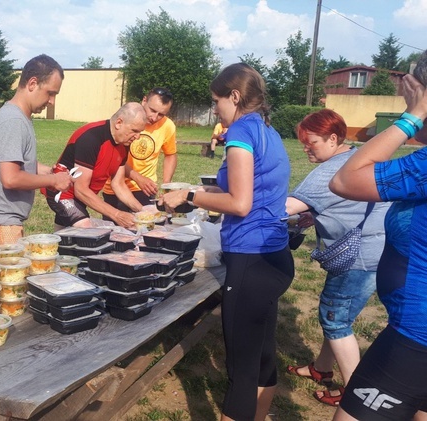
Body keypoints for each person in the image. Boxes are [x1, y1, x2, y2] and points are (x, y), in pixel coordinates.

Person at [160, 63, 293, 421]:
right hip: (274, 255)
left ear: (234, 97)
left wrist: (189, 196)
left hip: (250, 258)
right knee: (262, 357)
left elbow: (239, 203)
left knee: (241, 371)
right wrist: (203, 190)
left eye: (217, 101)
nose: (215, 109)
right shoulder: (268, 130)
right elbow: (246, 189)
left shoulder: (240, 133)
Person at [328, 51, 427, 421]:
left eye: (411, 95)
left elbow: (345, 179)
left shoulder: (424, 167)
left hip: (416, 337)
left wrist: (412, 116)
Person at [284, 109, 388, 407]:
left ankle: (354, 394)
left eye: (311, 142)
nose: (306, 148)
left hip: (358, 259)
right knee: (337, 315)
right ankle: (321, 369)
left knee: (335, 319)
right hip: (372, 252)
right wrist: (315, 214)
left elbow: (285, 207)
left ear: (333, 138)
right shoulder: (351, 157)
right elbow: (348, 203)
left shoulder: (331, 169)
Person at [0, 54, 73, 245]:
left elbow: (13, 160)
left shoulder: (16, 116)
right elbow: (11, 178)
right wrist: (53, 180)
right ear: (32, 83)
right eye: (51, 93)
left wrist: (47, 170)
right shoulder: (14, 121)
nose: (52, 101)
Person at [45, 102, 147, 229]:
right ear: (119, 123)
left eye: (140, 132)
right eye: (134, 131)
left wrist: (143, 211)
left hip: (81, 195)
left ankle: (58, 247)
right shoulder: (91, 139)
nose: (137, 137)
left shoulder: (123, 142)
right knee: (85, 226)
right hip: (62, 193)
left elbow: (118, 184)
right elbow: (81, 189)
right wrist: (116, 214)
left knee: (65, 236)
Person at [101, 87, 177, 213]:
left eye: (161, 114)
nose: (154, 117)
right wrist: (138, 178)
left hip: (145, 188)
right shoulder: (126, 120)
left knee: (146, 226)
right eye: (152, 110)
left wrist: (166, 185)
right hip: (116, 187)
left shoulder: (168, 126)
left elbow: (170, 154)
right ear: (144, 100)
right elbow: (114, 158)